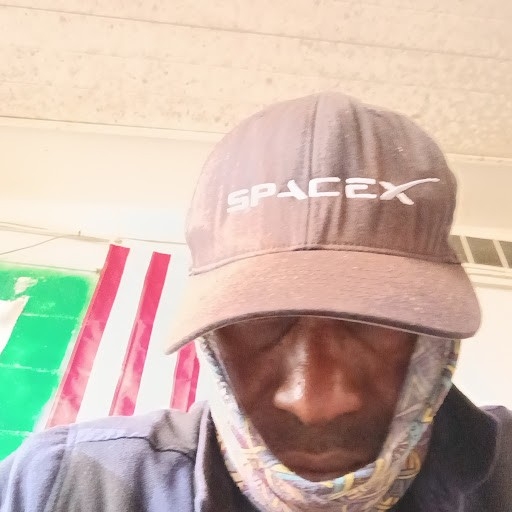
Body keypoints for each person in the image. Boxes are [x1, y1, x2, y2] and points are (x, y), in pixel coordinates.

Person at [0, 92, 510, 512]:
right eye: (259, 323)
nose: (313, 400)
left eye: (376, 321)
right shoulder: (57, 487)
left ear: (434, 345)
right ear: (210, 342)